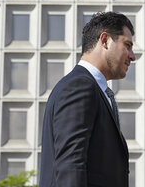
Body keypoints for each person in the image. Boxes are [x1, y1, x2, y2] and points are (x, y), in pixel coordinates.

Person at [40, 12, 136, 187]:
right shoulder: (79, 86)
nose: (132, 56)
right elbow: (70, 165)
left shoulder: (94, 89)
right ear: (105, 40)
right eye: (127, 46)